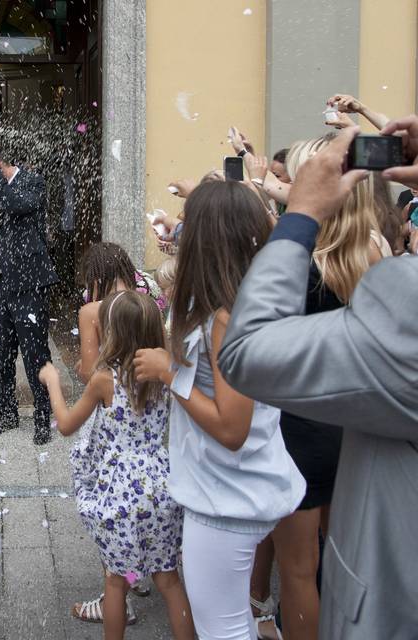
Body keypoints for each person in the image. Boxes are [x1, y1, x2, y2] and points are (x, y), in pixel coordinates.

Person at [218, 122, 418, 640]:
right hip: (351, 428)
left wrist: (301, 213)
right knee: (338, 547)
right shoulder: (380, 261)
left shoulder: (303, 267)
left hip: (304, 430)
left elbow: (248, 351)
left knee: (299, 568)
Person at [133, 180, 306, 640]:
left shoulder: (226, 320)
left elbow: (232, 427)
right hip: (230, 488)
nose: (181, 234)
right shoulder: (235, 297)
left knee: (221, 629)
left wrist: (169, 373)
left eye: (190, 227)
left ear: (208, 241)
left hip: (226, 499)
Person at [40, 291, 194, 640]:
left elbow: (65, 425)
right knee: (169, 579)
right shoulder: (167, 370)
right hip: (161, 487)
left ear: (112, 332)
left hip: (120, 493)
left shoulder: (105, 380)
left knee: (116, 580)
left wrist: (53, 384)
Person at [0, 146, 58, 444]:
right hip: (4, 285)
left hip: (31, 284)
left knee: (35, 353)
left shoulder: (33, 182)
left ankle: (41, 418)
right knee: (0, 354)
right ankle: (8, 414)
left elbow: (16, 206)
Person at [76, 242, 164, 382]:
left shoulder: (91, 312)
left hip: (114, 396)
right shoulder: (150, 305)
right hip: (148, 394)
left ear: (94, 281)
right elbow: (163, 355)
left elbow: (89, 375)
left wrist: (82, 368)